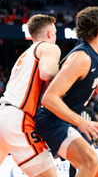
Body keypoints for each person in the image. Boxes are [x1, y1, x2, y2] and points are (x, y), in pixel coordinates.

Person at [35, 7, 98, 177]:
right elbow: (48, 98)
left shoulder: (88, 51)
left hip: (64, 120)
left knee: (97, 171)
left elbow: (67, 72)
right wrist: (82, 122)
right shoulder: (82, 58)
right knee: (90, 163)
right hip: (52, 120)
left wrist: (97, 83)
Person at [0, 14, 61, 176]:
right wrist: (68, 73)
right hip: (18, 119)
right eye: (54, 33)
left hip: (3, 114)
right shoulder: (49, 47)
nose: (55, 37)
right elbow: (48, 72)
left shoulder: (23, 56)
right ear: (49, 34)